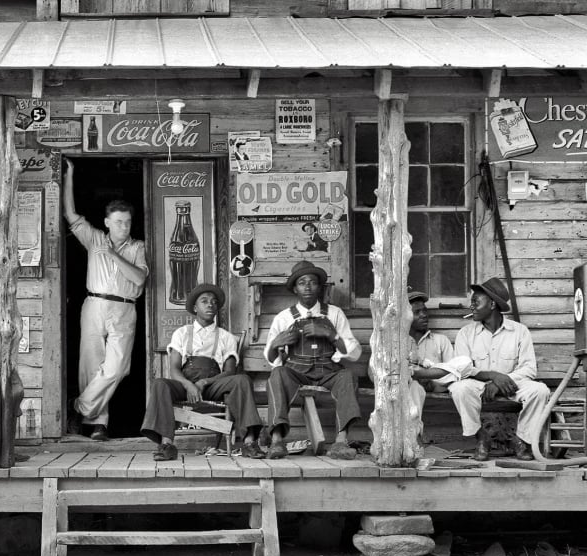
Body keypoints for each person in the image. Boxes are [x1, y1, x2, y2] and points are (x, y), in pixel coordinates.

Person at [63, 158, 148, 441]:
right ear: (107, 223)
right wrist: (70, 175)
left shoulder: (137, 247)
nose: (124, 226)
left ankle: (79, 407)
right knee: (91, 365)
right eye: (119, 222)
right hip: (94, 303)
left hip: (124, 307)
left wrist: (112, 254)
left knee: (117, 368)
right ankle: (98, 424)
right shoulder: (94, 237)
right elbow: (70, 214)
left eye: (128, 222)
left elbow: (139, 278)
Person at [141, 284, 266, 461]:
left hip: (214, 384)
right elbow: (175, 369)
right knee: (160, 384)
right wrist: (189, 384)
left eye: (214, 302)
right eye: (205, 301)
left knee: (242, 379)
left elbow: (229, 371)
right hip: (186, 384)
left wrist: (204, 383)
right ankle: (167, 445)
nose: (210, 305)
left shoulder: (226, 337)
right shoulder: (181, 333)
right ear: (195, 308)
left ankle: (249, 443)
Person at [263, 261, 362, 460]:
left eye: (312, 282)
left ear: (320, 287)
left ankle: (341, 442)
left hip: (328, 371)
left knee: (348, 375)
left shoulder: (334, 313)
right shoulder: (284, 318)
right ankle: (276, 441)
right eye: (302, 283)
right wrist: (276, 344)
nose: (307, 287)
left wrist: (331, 335)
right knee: (277, 374)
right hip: (296, 371)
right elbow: (271, 359)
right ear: (295, 289)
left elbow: (354, 352)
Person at [448, 277, 551, 461]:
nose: (471, 306)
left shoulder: (520, 331)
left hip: (512, 386)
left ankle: (521, 440)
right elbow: (462, 370)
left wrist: (504, 379)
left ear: (492, 304)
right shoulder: (466, 334)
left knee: (540, 391)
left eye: (475, 302)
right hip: (479, 387)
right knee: (459, 388)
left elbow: (529, 368)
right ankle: (481, 438)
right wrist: (493, 376)